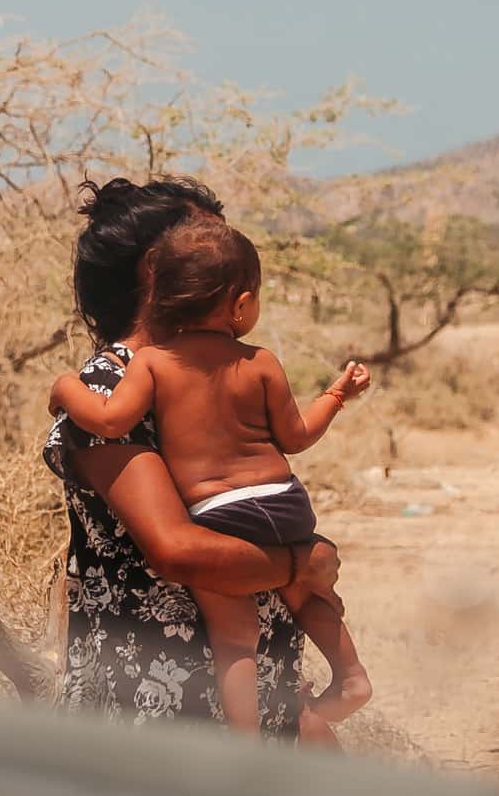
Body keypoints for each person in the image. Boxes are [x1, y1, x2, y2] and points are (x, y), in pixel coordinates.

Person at [44, 176, 348, 736]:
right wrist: (299, 565)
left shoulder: (206, 372)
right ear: (156, 271)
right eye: (206, 239)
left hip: (250, 713)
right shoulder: (110, 386)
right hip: (161, 722)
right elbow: (178, 551)